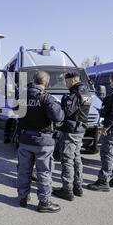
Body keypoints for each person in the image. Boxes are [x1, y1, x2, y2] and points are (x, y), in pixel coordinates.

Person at [17, 71, 64, 213]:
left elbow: (16, 112)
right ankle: (44, 202)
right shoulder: (47, 98)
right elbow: (58, 117)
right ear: (46, 83)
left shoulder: (22, 96)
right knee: (44, 171)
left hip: (25, 139)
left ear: (34, 81)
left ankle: (23, 197)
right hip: (43, 142)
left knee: (24, 170)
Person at [53, 72, 91, 201]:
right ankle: (77, 186)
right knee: (76, 158)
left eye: (67, 81)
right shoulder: (86, 91)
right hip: (80, 129)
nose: (65, 83)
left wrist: (60, 103)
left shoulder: (75, 93)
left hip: (71, 129)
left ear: (73, 80)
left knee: (67, 159)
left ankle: (67, 190)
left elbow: (67, 112)